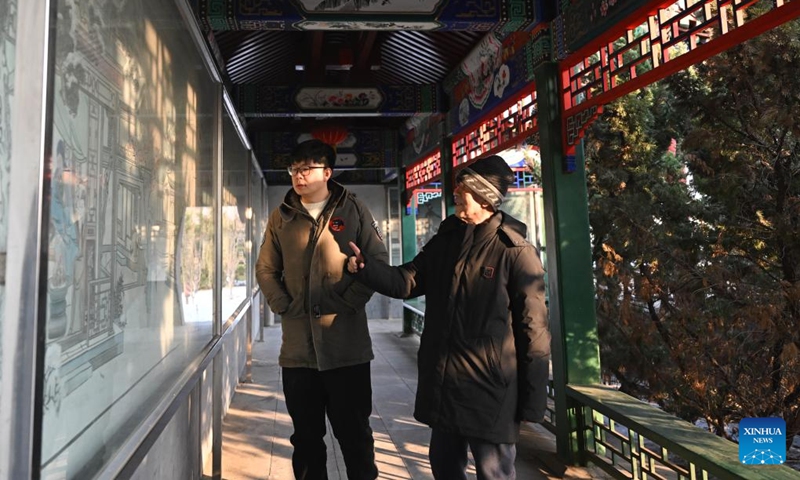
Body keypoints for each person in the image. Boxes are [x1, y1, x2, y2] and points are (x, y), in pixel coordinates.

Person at [347, 155, 550, 480]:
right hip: (445, 383)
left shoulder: (516, 252)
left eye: (464, 187)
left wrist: (532, 401)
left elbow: (534, 332)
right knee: (444, 468)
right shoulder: (447, 240)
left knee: (493, 473)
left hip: (490, 390)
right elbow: (407, 281)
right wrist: (365, 268)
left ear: (485, 198)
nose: (455, 191)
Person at [256, 138, 388, 480]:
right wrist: (285, 305)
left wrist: (347, 302)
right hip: (299, 352)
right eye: (293, 169)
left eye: (306, 169)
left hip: (347, 349)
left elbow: (377, 262)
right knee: (306, 440)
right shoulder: (282, 216)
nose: (298, 176)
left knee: (355, 437)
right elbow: (266, 269)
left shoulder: (353, 209)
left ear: (327, 172)